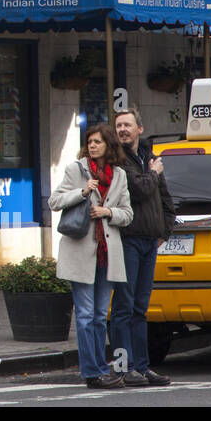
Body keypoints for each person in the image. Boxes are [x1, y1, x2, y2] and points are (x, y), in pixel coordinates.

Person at [49, 123, 133, 389]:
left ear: (109, 145)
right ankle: (92, 373)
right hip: (80, 252)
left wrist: (108, 213)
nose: (93, 146)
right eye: (90, 142)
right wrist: (82, 193)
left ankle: (99, 368)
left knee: (99, 316)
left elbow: (128, 214)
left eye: (98, 141)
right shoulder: (76, 169)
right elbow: (54, 201)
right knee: (85, 315)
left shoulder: (119, 175)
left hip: (107, 256)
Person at [110, 107, 177, 387]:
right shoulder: (118, 160)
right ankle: (123, 368)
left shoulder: (149, 158)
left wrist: (165, 231)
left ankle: (142, 367)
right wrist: (153, 172)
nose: (123, 130)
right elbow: (139, 189)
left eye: (127, 125)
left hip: (150, 242)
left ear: (140, 128)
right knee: (123, 308)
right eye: (118, 126)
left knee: (140, 308)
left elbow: (164, 198)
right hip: (127, 241)